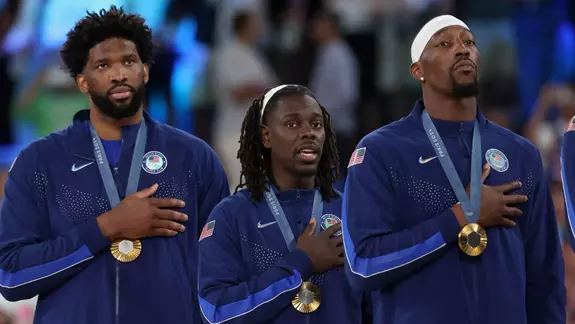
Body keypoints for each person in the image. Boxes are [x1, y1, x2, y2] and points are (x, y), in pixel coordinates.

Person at [0, 6, 229, 324]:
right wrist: (105, 228)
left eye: (129, 61)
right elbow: (10, 275)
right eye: (103, 65)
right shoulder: (39, 162)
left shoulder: (194, 158)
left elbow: (224, 275)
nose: (119, 73)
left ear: (145, 71)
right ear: (83, 81)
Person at [343, 15, 565, 323]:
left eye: (469, 42)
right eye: (444, 43)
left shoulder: (520, 153)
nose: (462, 49)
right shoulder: (381, 151)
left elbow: (545, 277)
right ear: (417, 70)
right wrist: (460, 217)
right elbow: (363, 265)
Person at [197, 84, 371, 324]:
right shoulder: (232, 216)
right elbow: (215, 313)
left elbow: (378, 307)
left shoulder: (351, 211)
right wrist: (302, 263)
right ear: (266, 136)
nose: (308, 132)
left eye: (316, 124)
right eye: (292, 124)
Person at [211, 10, 277, 191]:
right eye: (256, 23)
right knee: (242, 185)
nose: (261, 28)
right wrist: (260, 88)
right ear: (245, 26)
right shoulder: (228, 53)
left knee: (259, 185)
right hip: (234, 133)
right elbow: (235, 92)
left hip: (257, 133)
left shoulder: (255, 54)